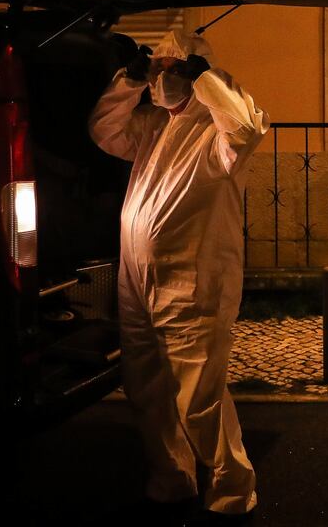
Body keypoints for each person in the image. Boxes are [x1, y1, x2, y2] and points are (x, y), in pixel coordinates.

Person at [89, 27, 268, 524]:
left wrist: (207, 79)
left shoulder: (216, 128)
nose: (162, 78)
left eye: (174, 69)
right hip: (138, 277)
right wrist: (127, 79)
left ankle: (233, 492)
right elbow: (104, 130)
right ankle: (172, 478)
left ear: (196, 73)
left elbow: (247, 127)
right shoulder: (152, 125)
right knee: (146, 384)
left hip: (192, 277)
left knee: (198, 394)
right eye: (157, 69)